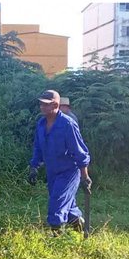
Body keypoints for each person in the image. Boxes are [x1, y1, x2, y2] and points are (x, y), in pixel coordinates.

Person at [28, 89, 91, 233]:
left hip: (69, 172)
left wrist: (85, 176)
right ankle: (79, 225)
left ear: (55, 105)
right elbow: (38, 147)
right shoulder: (41, 124)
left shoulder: (67, 124)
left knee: (57, 203)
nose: (42, 107)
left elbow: (79, 151)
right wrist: (34, 167)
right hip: (52, 172)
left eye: (46, 104)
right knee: (67, 204)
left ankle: (56, 240)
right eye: (41, 104)